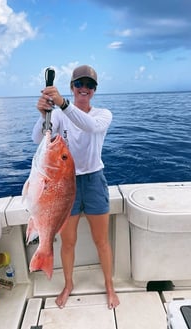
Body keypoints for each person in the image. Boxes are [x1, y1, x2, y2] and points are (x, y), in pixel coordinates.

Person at [32, 65, 120, 310]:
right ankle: (68, 284)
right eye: (79, 84)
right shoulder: (58, 115)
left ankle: (109, 286)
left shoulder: (103, 114)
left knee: (101, 241)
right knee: (67, 241)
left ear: (94, 90)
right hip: (63, 183)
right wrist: (43, 116)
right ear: (72, 87)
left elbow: (89, 126)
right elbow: (37, 140)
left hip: (94, 182)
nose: (84, 89)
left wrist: (62, 104)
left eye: (89, 85)